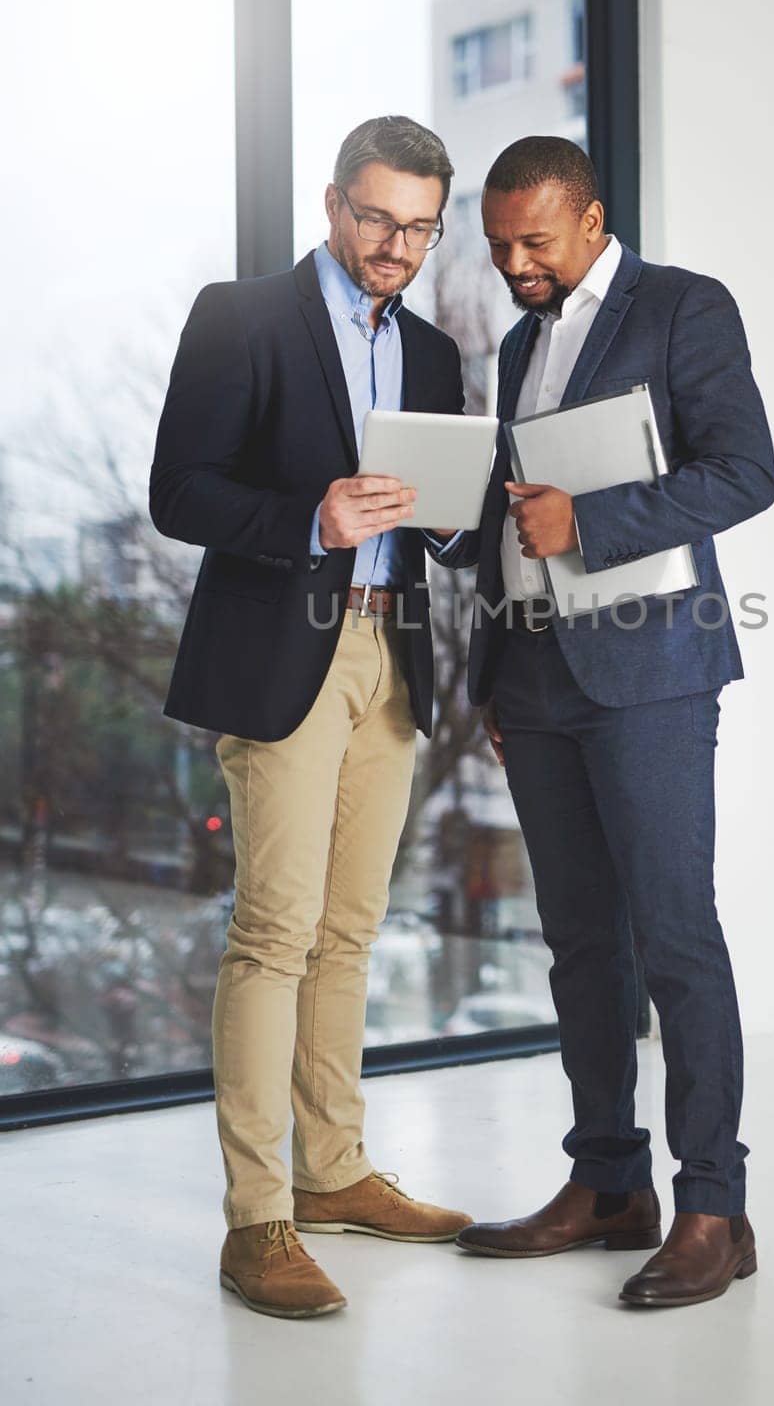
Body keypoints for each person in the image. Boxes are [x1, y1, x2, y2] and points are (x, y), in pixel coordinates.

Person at [442, 136, 774, 1308]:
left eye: (533, 241)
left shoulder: (683, 306)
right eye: (496, 248)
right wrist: (487, 659)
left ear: (590, 219)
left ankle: (712, 1208)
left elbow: (744, 472)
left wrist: (588, 520)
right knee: (582, 944)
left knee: (677, 938)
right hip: (533, 674)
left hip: (652, 669)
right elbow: (506, 511)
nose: (514, 265)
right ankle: (608, 1184)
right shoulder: (523, 340)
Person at [149, 115, 472, 1321]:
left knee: (351, 930)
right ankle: (257, 1221)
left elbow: (453, 514)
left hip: (395, 645)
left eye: (421, 227)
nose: (397, 244)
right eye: (379, 217)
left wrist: (446, 519)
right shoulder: (240, 316)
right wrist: (311, 517)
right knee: (275, 932)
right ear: (335, 205)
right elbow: (178, 488)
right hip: (285, 646)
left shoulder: (435, 350)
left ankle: (334, 1171)